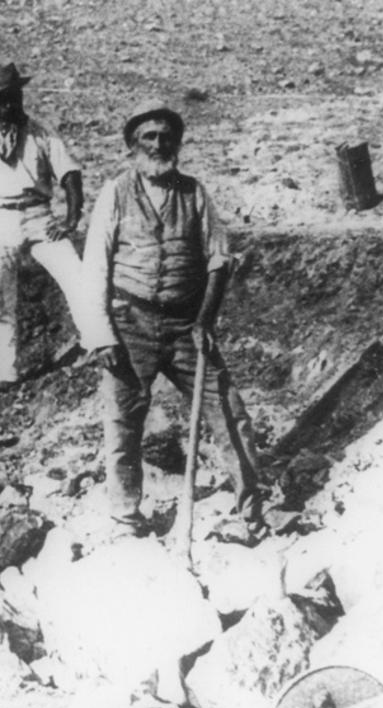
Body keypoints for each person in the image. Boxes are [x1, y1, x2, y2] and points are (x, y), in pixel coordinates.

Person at [79, 100, 263, 532]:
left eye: (166, 136)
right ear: (132, 145)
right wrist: (102, 336)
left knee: (228, 410)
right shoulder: (115, 193)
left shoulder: (195, 193)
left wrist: (204, 321)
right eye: (149, 137)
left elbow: (219, 261)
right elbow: (94, 267)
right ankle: (125, 513)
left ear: (177, 142)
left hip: (186, 327)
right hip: (130, 325)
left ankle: (254, 507)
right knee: (123, 421)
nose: (158, 144)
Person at [0, 62, 87, 389]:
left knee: (76, 275)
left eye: (13, 97)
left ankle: (94, 342)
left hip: (38, 216)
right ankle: (8, 371)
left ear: (21, 95)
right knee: (2, 299)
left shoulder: (42, 132)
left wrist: (71, 218)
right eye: (1, 99)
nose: (9, 105)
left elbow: (70, 174)